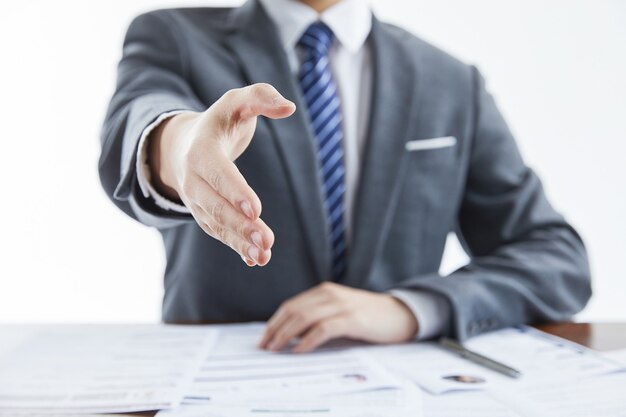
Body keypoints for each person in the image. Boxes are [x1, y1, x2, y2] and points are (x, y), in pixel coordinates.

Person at [99, 0, 591, 353]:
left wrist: (412, 309)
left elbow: (556, 258)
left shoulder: (450, 80)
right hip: (222, 382)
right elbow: (142, 119)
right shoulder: (172, 35)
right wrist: (183, 145)